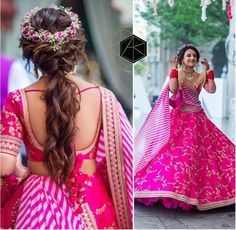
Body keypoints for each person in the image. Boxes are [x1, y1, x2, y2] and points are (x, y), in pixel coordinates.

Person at [0, 5, 133, 229]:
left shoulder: (18, 100)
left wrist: (19, 173)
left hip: (35, 208)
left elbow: (4, 166)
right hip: (92, 204)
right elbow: (124, 159)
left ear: (30, 51)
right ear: (76, 47)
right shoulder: (103, 98)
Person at [134, 44, 235, 211]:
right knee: (177, 154)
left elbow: (211, 90)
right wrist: (173, 70)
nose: (192, 58)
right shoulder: (178, 73)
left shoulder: (200, 76)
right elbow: (173, 89)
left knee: (203, 155)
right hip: (180, 119)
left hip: (198, 120)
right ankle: (171, 190)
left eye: (194, 56)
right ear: (182, 59)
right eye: (188, 56)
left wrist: (209, 72)